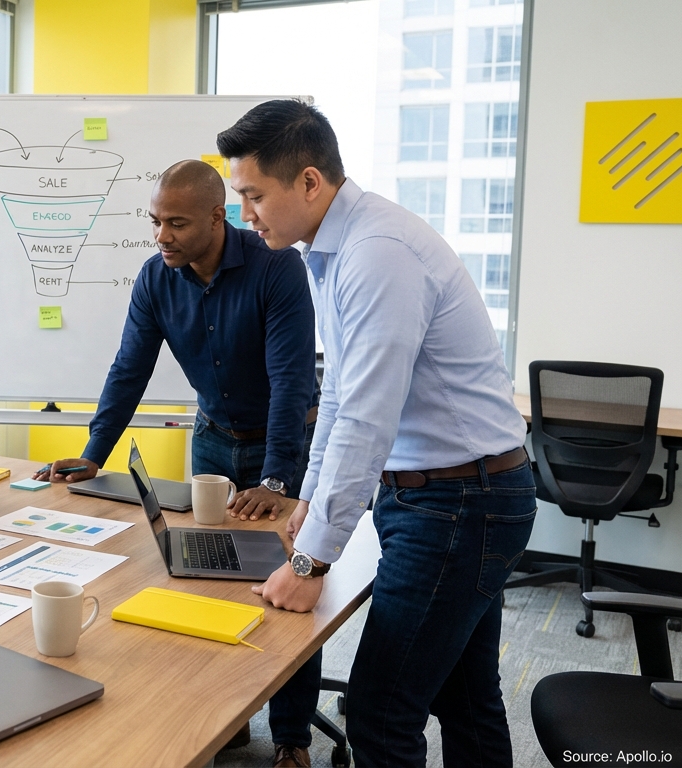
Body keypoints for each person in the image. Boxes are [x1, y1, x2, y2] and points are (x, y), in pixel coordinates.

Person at [220, 99, 534, 767]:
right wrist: (312, 501)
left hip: (460, 504)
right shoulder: (333, 250)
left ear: (308, 182)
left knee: (382, 709)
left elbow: (368, 414)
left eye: (253, 195)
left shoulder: (376, 254)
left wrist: (312, 561)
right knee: (465, 696)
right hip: (441, 495)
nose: (243, 213)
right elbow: (337, 392)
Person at [33, 159, 322, 767]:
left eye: (177, 223)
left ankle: (293, 736)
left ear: (218, 217)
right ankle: (232, 714)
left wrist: (276, 478)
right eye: (156, 221)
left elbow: (291, 380)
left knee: (291, 587)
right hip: (213, 439)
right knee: (207, 572)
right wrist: (92, 455)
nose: (162, 235)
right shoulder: (156, 277)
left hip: (281, 440)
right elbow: (128, 369)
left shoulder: (275, 266)